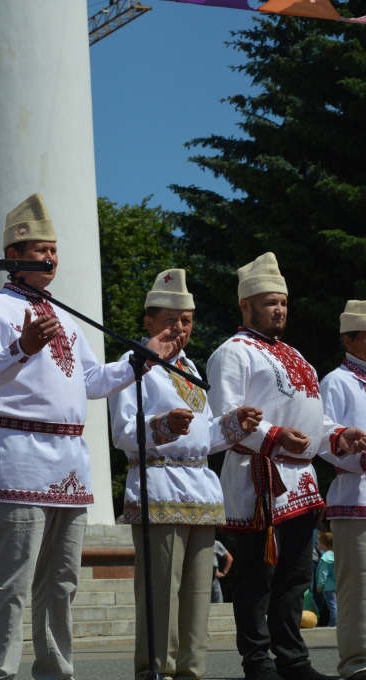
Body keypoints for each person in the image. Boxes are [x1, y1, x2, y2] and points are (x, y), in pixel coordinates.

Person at [0, 193, 181, 680]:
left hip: (69, 459)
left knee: (61, 579)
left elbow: (91, 382)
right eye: (41, 250)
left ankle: (55, 670)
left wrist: (142, 356)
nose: (51, 258)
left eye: (55, 250)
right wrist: (21, 347)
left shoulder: (64, 315)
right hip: (20, 453)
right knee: (13, 579)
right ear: (14, 256)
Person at [206, 252, 366, 680]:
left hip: (302, 480)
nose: (279, 309)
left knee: (294, 579)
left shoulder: (297, 356)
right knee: (256, 579)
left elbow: (314, 417)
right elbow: (225, 417)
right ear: (246, 305)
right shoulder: (233, 353)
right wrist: (272, 436)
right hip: (258, 478)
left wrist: (338, 437)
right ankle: (258, 662)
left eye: (283, 302)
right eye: (270, 302)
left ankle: (293, 660)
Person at [110, 268, 263, 680]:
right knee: (160, 593)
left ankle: (191, 673)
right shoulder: (131, 366)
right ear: (148, 322)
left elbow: (206, 437)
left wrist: (234, 425)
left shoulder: (192, 368)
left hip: (200, 488)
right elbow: (123, 433)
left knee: (198, 596)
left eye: (187, 320)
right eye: (169, 319)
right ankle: (154, 672)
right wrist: (162, 426)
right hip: (158, 483)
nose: (179, 327)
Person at [319, 299, 366, 679]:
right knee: (358, 588)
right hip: (355, 496)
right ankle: (357, 663)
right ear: (349, 342)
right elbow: (322, 436)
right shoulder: (336, 381)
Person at [314, 532, 336, 628]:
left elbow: (323, 573)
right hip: (335, 584)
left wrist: (319, 585)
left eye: (318, 542)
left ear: (323, 543)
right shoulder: (334, 555)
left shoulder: (325, 558)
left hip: (328, 586)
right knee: (335, 604)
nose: (317, 544)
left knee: (332, 605)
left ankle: (334, 623)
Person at [213, 539, 233, 603]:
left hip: (213, 575)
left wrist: (224, 573)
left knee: (217, 601)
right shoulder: (196, 543)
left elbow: (229, 558)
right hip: (199, 574)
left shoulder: (215, 543)